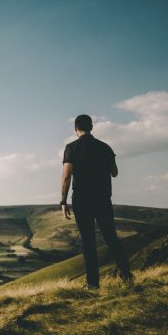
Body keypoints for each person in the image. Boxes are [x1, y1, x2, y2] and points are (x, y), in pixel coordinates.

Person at [60, 114, 134, 289]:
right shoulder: (105, 147)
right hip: (102, 199)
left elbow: (66, 175)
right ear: (92, 127)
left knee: (88, 241)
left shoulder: (71, 147)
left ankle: (92, 283)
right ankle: (127, 275)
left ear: (76, 129)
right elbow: (114, 173)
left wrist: (63, 201)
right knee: (111, 237)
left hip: (82, 200)